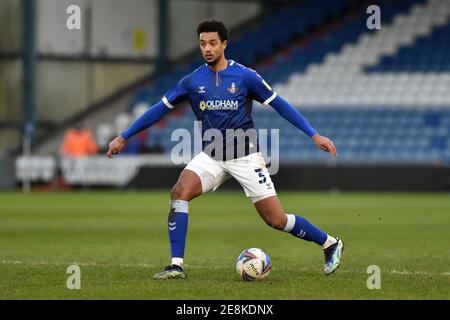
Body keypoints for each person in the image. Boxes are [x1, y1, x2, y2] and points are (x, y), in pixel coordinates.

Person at [107, 20, 343, 280]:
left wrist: (313, 134)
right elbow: (159, 109)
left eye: (212, 43)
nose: (207, 48)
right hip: (211, 157)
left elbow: (280, 105)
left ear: (224, 44)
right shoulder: (191, 81)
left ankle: (329, 242)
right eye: (202, 44)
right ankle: (176, 265)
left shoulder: (246, 76)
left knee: (276, 220)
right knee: (179, 192)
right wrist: (124, 136)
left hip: (245, 157)